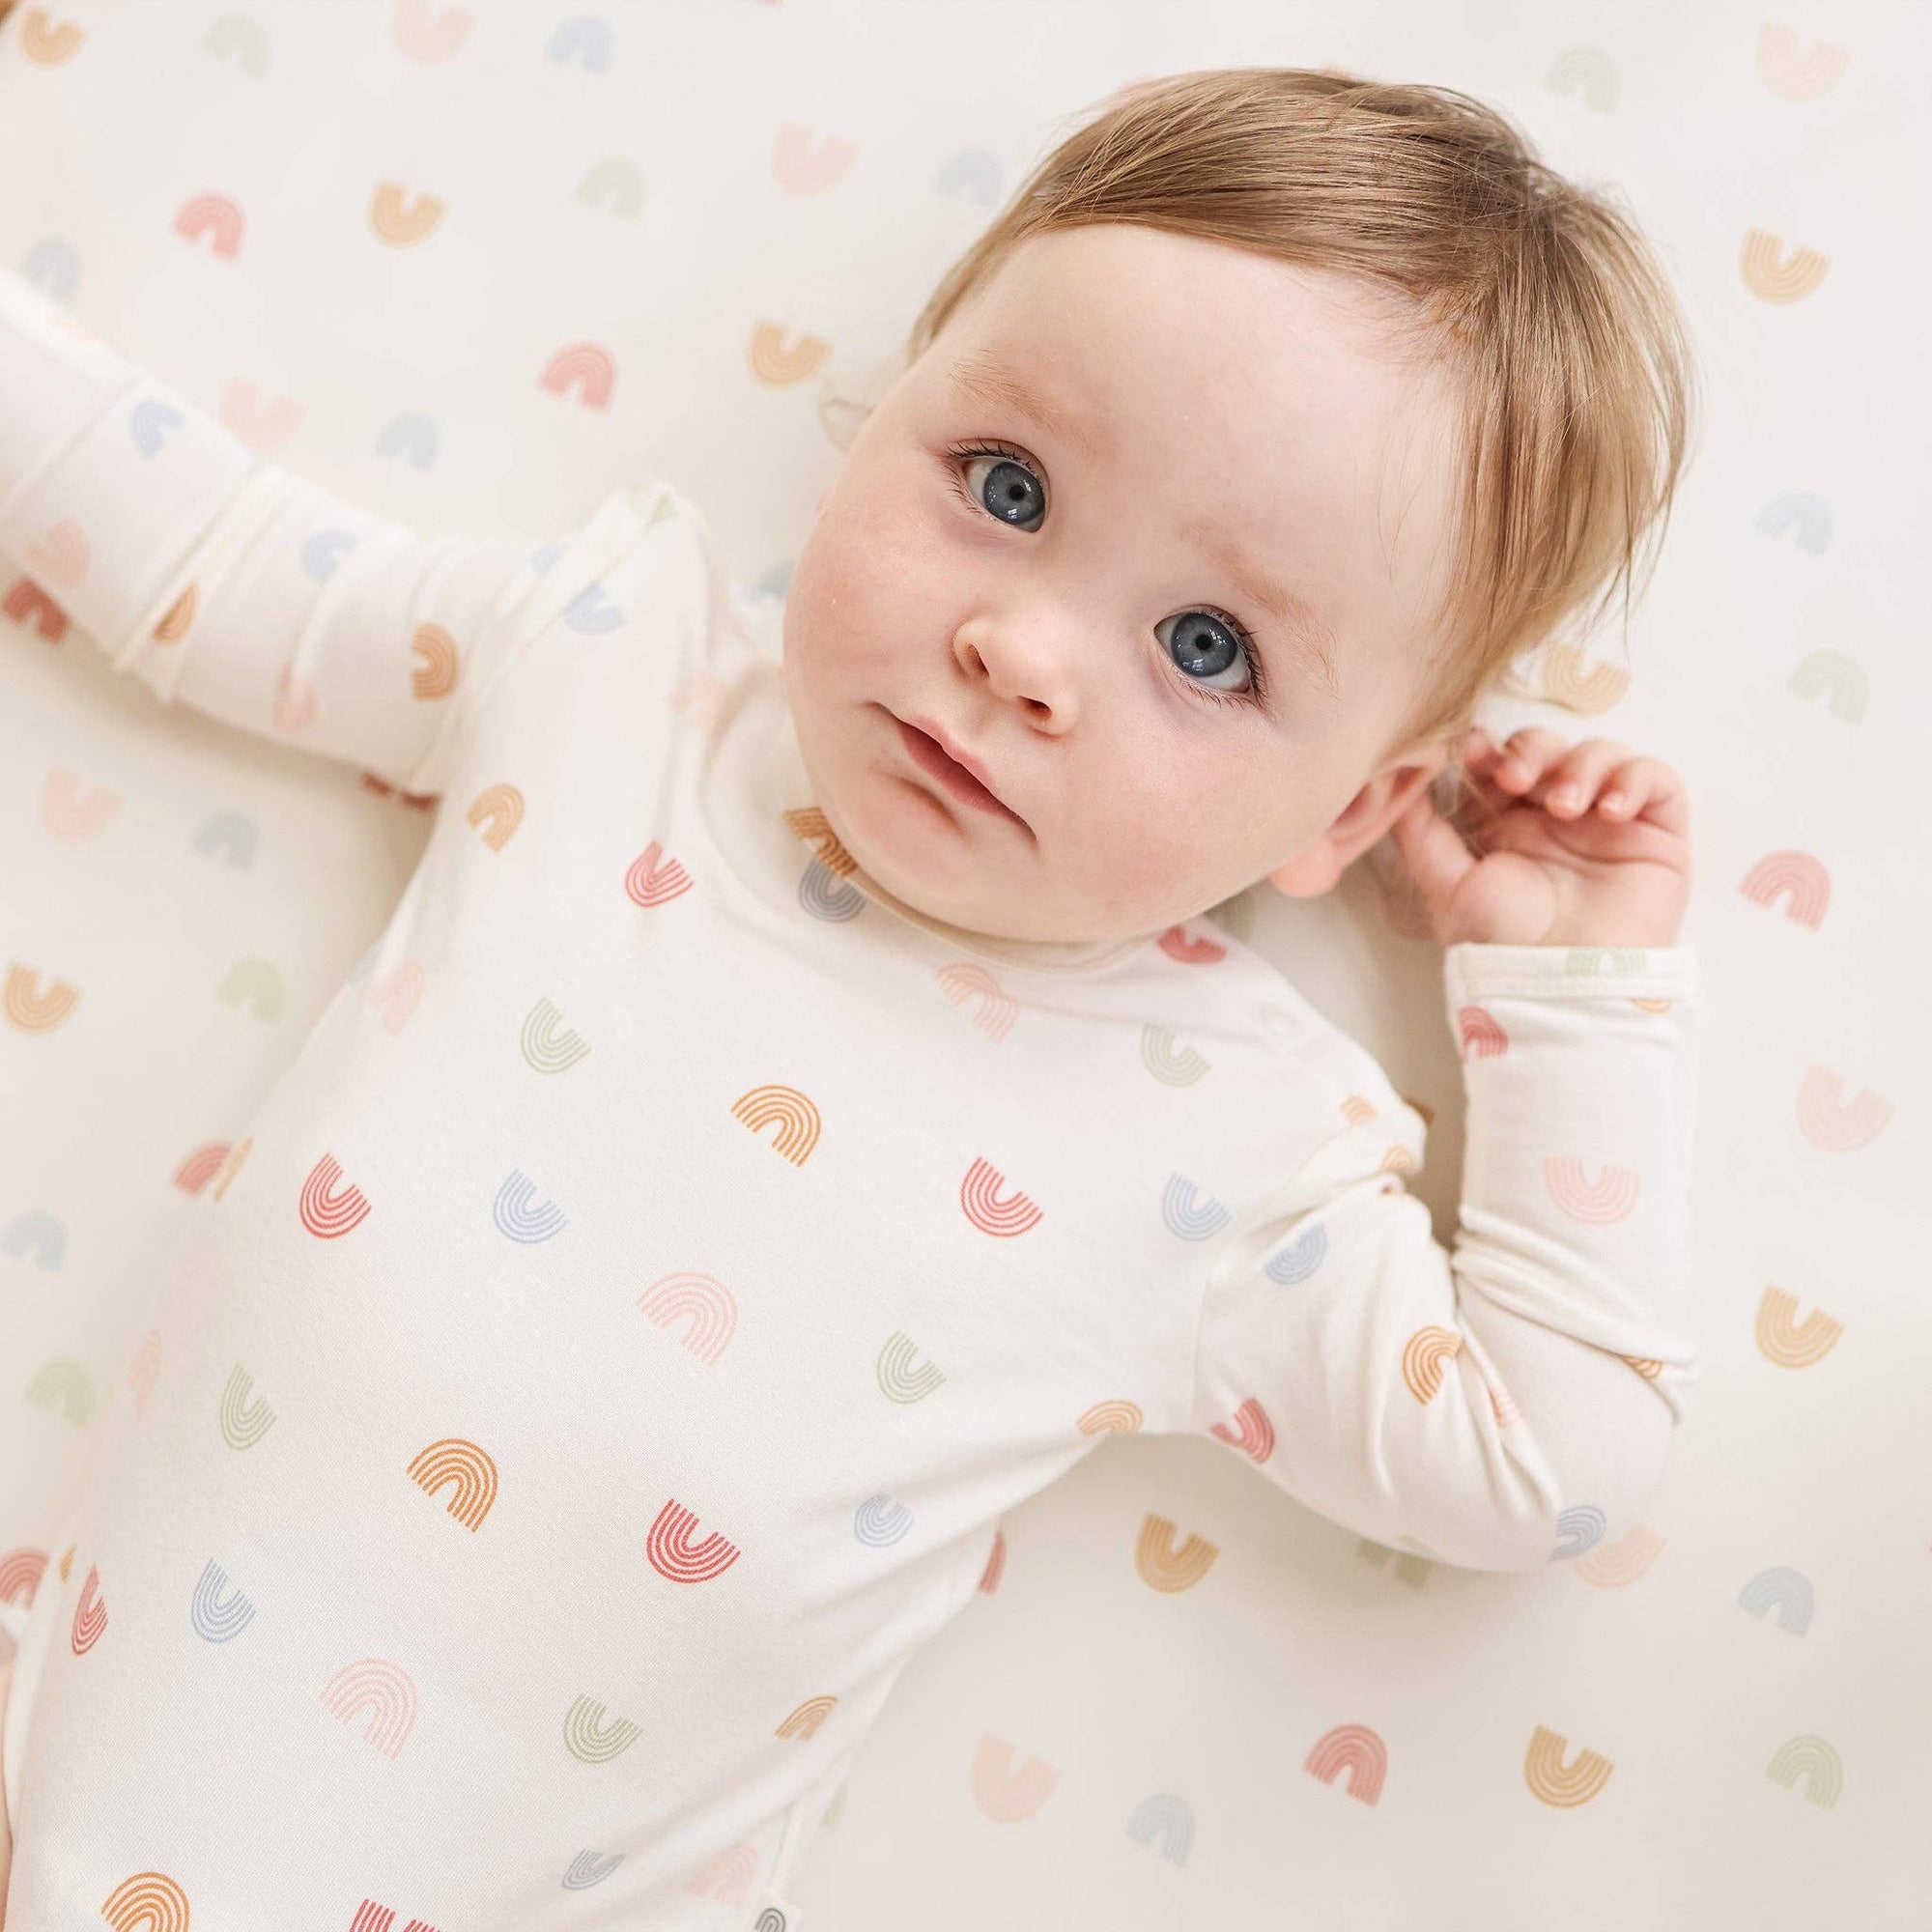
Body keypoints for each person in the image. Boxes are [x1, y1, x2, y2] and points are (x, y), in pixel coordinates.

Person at [0, 68, 1699, 1927]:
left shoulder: (1220, 1143)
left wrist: (1569, 990)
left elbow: (1542, 1467)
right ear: (885, 405)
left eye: (1208, 650)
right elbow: (210, 564)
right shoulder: (609, 672)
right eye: (1006, 487)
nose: (1026, 648)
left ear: (1357, 811)